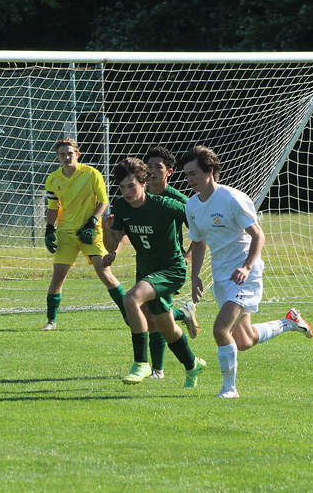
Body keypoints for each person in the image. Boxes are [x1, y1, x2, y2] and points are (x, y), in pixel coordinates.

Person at [181, 145, 313, 398]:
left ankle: (229, 389)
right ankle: (288, 322)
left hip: (245, 275)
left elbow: (257, 235)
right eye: (187, 174)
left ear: (209, 171)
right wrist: (195, 275)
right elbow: (198, 242)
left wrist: (246, 266)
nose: (189, 180)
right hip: (222, 276)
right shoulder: (192, 205)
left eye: (193, 173)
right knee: (244, 340)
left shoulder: (232, 199)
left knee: (220, 329)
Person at [102, 156, 206, 387]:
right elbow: (111, 245)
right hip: (147, 271)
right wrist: (105, 230)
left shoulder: (165, 205)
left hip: (171, 270)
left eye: (131, 186)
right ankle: (192, 364)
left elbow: (199, 229)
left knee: (132, 299)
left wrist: (191, 259)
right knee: (165, 327)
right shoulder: (120, 206)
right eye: (122, 187)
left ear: (143, 183)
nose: (126, 192)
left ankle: (141, 363)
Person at [41, 137, 127, 330]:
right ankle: (51, 321)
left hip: (91, 232)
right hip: (66, 234)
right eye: (62, 154)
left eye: (70, 153)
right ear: (57, 157)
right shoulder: (53, 179)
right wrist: (48, 229)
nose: (66, 157)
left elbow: (103, 201)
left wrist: (92, 222)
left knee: (105, 273)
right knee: (58, 277)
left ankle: (129, 316)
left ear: (77, 154)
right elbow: (53, 207)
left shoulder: (92, 173)